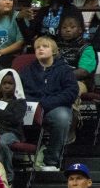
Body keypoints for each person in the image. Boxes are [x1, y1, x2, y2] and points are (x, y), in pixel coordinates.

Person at [19, 36, 78, 173]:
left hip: (55, 107)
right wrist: (34, 104)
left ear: (54, 51)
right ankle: (22, 158)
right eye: (38, 47)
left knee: (62, 118)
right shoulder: (26, 70)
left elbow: (70, 93)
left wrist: (45, 104)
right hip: (31, 108)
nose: (40, 49)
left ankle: (51, 160)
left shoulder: (64, 70)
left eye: (45, 46)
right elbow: (20, 92)